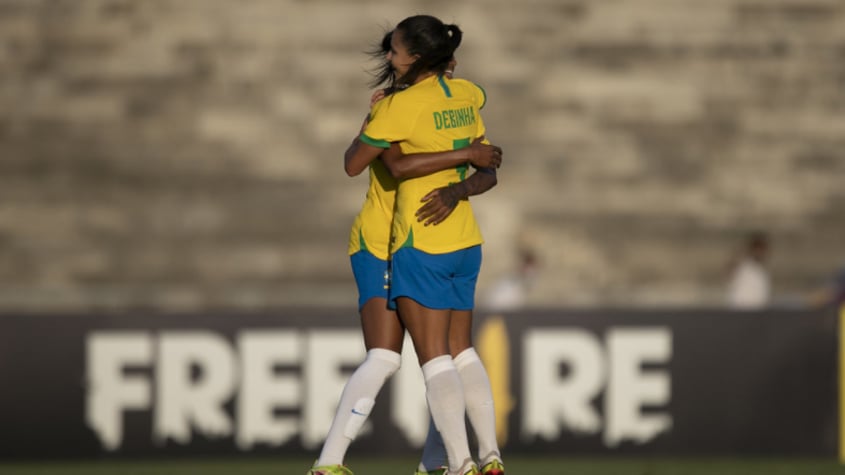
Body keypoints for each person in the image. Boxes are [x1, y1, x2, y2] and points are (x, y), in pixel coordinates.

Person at [307, 24, 503, 475]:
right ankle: (330, 462)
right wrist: (467, 159)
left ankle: (439, 462)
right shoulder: (435, 102)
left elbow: (359, 161)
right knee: (391, 356)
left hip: (416, 237)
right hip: (381, 241)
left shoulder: (407, 107)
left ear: (416, 57)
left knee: (439, 358)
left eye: (394, 51)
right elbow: (373, 164)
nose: (389, 56)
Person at [726, 231, 771, 310]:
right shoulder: (743, 267)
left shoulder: (763, 272)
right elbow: (729, 272)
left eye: (762, 250)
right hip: (740, 312)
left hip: (757, 315)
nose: (760, 253)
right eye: (758, 250)